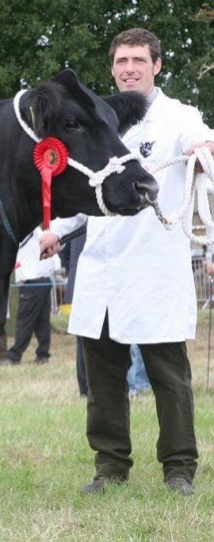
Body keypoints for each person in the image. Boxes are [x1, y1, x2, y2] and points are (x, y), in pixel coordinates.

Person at [40, 28, 214, 496]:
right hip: (100, 266)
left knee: (169, 378)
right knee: (103, 379)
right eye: (122, 61)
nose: (129, 68)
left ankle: (179, 469)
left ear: (158, 65)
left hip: (154, 265)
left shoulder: (179, 117)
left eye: (139, 59)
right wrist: (56, 231)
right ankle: (110, 466)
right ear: (112, 68)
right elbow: (84, 190)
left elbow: (205, 142)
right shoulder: (96, 118)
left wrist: (204, 151)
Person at [0, 226, 55, 365]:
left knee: (25, 320)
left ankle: (14, 355)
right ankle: (43, 355)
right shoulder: (39, 232)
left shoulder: (27, 231)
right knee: (42, 321)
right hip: (43, 278)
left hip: (32, 279)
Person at [58, 229, 88, 396]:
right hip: (88, 282)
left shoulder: (76, 220)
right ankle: (88, 386)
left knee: (82, 339)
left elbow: (64, 252)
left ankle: (84, 386)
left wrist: (70, 269)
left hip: (75, 280)